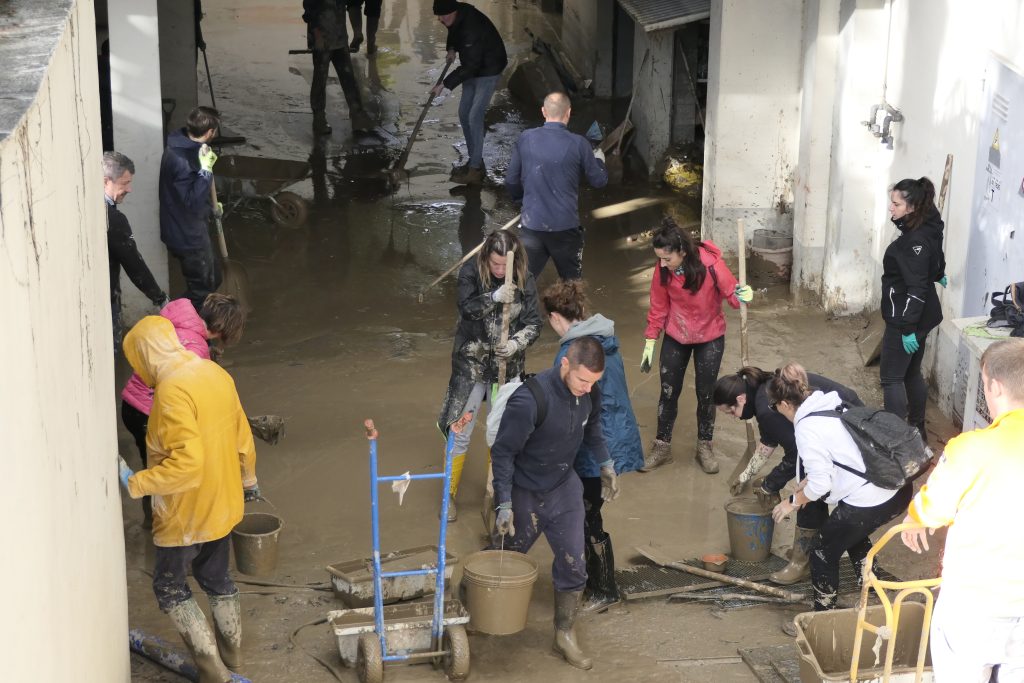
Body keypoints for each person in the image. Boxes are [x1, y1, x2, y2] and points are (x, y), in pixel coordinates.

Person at [117, 316, 258, 682]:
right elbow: (243, 437)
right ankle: (234, 660)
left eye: (136, 361)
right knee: (216, 577)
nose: (139, 370)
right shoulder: (214, 373)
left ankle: (213, 674)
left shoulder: (171, 391)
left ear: (146, 355)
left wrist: (138, 482)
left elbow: (187, 465)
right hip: (224, 503)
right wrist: (247, 480)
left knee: (169, 586)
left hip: (187, 514)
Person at [491, 337, 619, 670]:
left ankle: (563, 634)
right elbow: (503, 453)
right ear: (565, 364)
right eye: (582, 380)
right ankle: (473, 607)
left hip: (564, 488)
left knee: (575, 565)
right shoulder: (529, 401)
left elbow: (592, 430)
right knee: (502, 558)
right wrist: (503, 503)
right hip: (525, 491)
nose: (587, 387)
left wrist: (606, 463)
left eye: (593, 382)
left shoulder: (590, 391)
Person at [900, 339, 1024, 681]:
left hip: (976, 602)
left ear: (994, 386)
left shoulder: (971, 449)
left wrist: (915, 517)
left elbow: (933, 508)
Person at [767, 363, 912, 613]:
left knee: (822, 552)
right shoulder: (831, 403)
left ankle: (823, 617)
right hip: (898, 486)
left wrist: (791, 501)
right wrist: (804, 487)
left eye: (774, 407)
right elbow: (834, 463)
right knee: (848, 534)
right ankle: (874, 591)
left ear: (784, 404)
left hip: (872, 497)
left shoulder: (806, 428)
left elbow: (821, 484)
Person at [542, 280, 642, 613]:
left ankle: (603, 588)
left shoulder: (571, 353)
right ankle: (595, 583)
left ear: (556, 317)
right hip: (616, 437)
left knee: (585, 515)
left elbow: (567, 407)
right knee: (588, 511)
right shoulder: (605, 339)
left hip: (594, 446)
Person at [714, 367, 863, 586]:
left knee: (808, 487)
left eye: (730, 412)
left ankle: (800, 562)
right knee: (811, 485)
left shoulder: (766, 408)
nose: (733, 417)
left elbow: (797, 455)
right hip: (841, 412)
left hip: (848, 418)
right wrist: (747, 474)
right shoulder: (760, 393)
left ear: (741, 399)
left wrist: (771, 484)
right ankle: (809, 548)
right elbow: (769, 439)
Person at [437, 229, 541, 522]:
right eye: (494, 264)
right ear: (486, 258)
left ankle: (498, 495)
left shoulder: (525, 279)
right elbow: (466, 309)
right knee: (460, 432)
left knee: (502, 435)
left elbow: (534, 323)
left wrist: (516, 343)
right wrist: (493, 297)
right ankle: (448, 496)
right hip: (471, 365)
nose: (498, 270)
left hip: (506, 370)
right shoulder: (471, 272)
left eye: (502, 266)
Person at [121, 294, 247, 528]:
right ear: (222, 330)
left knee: (154, 462)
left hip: (131, 403)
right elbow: (191, 392)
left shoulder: (177, 322)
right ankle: (160, 523)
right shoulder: (195, 348)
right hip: (149, 410)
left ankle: (153, 516)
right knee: (166, 468)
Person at [640, 217, 752, 474]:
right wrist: (650, 339)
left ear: (681, 251)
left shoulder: (711, 265)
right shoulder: (663, 270)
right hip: (676, 334)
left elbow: (733, 297)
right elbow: (659, 306)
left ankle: (705, 445)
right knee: (668, 391)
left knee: (706, 393)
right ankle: (662, 446)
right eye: (659, 259)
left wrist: (743, 294)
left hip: (709, 336)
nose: (662, 264)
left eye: (667, 258)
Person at [506, 92, 608, 281]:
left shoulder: (526, 138)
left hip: (532, 225)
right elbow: (599, 181)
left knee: (522, 283)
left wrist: (522, 201)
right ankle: (571, 310)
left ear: (544, 111)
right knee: (572, 286)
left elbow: (511, 180)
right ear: (568, 113)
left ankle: (518, 309)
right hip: (566, 228)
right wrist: (600, 161)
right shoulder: (580, 144)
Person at [880, 177, 946, 439]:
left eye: (896, 204)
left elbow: (916, 289)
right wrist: (939, 272)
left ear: (911, 207)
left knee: (892, 378)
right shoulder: (928, 224)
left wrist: (906, 328)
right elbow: (937, 252)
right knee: (911, 373)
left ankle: (898, 439)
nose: (890, 208)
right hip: (926, 316)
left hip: (907, 319)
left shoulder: (911, 245)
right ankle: (917, 430)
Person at [430, 0, 507, 186]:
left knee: (474, 116)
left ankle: (475, 170)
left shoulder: (471, 27)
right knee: (464, 113)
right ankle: (475, 160)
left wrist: (445, 84)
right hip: (473, 66)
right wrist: (452, 48)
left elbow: (471, 65)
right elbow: (454, 31)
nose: (441, 19)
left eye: (443, 15)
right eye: (439, 16)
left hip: (488, 68)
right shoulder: (458, 16)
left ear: (454, 11)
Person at [159, 106, 222, 312]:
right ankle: (175, 322)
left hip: (189, 228)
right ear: (210, 132)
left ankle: (191, 322)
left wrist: (210, 206)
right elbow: (191, 201)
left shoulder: (181, 145)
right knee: (201, 291)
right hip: (187, 236)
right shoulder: (183, 160)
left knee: (215, 278)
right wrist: (205, 172)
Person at [104, 151, 168, 347]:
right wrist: (160, 298)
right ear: (106, 181)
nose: (129, 189)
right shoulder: (114, 219)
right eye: (124, 184)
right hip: (107, 297)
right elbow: (134, 264)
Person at [303, 0, 374, 134]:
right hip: (321, 34)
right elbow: (309, 7)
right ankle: (319, 119)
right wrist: (315, 30)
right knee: (321, 77)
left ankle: (357, 115)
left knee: (347, 76)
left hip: (338, 31)